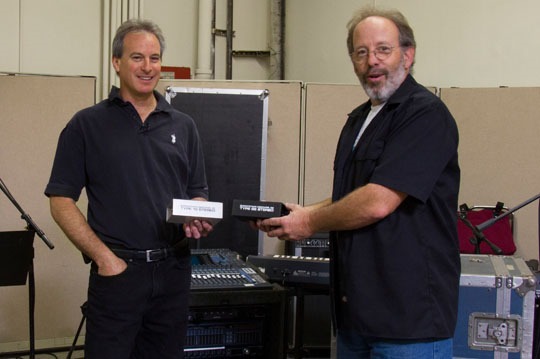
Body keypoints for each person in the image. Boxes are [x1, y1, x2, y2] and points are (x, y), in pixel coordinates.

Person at [256, 6, 460, 359]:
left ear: (408, 55)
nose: (372, 61)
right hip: (356, 318)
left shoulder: (425, 114)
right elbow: (352, 194)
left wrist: (308, 222)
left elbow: (379, 200)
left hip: (407, 325)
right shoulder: (360, 119)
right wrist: (302, 211)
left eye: (384, 49)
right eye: (361, 52)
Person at [45, 19, 212, 359]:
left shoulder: (184, 125)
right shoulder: (86, 125)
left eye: (154, 58)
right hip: (117, 275)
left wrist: (198, 214)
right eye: (137, 57)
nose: (147, 67)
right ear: (117, 62)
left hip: (172, 273)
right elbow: (60, 201)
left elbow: (198, 191)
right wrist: (104, 258)